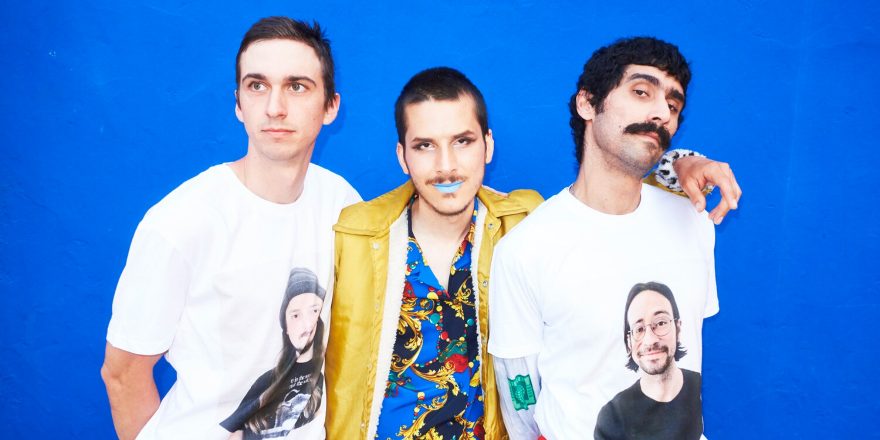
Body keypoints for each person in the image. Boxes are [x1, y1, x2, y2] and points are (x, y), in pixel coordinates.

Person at [325, 65, 736, 439]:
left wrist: (679, 163)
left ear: (488, 146)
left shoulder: (523, 223)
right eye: (425, 146)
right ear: (402, 156)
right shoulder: (356, 235)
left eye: (463, 141)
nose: (446, 165)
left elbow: (614, 188)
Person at [101, 17, 359, 440]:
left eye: (297, 86)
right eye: (257, 86)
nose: (274, 107)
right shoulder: (180, 222)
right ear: (238, 103)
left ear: (330, 106)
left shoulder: (341, 204)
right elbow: (122, 374)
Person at [488, 36, 727, 439]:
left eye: (673, 105)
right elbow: (519, 394)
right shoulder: (526, 249)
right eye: (641, 92)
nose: (661, 113)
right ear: (587, 104)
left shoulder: (695, 223)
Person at [221, 267, 328, 439]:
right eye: (295, 315)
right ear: (286, 326)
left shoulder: (319, 379)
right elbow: (230, 431)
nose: (306, 324)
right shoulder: (266, 381)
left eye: (313, 311)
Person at [594, 282, 703, 440]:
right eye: (639, 329)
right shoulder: (613, 418)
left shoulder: (705, 390)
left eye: (661, 323)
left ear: (678, 329)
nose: (650, 340)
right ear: (629, 342)